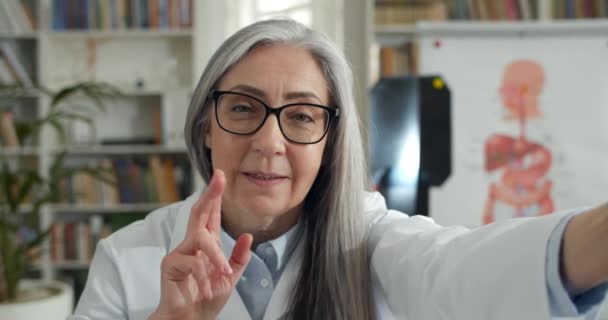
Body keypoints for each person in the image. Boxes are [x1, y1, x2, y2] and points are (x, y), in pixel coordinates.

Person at [69, 19, 608, 320]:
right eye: (241, 107)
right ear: (206, 124)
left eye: (301, 117)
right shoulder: (128, 256)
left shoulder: (368, 239)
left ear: (330, 142)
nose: (269, 141)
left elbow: (461, 271)